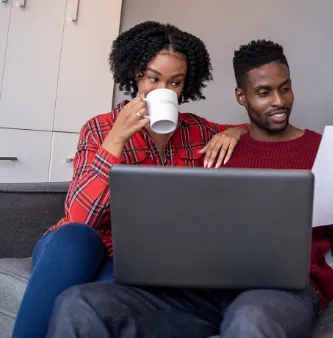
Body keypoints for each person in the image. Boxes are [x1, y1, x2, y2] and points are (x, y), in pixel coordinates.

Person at [45, 39, 333, 338]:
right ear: (241, 97)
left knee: (250, 319)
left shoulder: (326, 152)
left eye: (285, 87)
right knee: (78, 304)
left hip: (277, 294)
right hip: (196, 293)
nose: (279, 101)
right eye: (263, 92)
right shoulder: (212, 149)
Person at [11, 21, 249, 338]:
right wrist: (115, 140)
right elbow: (80, 217)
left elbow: (260, 134)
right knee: (76, 239)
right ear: (135, 73)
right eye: (154, 78)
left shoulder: (199, 131)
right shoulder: (100, 127)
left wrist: (234, 131)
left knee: (108, 296)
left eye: (175, 83)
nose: (165, 90)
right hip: (78, 245)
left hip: (136, 256)